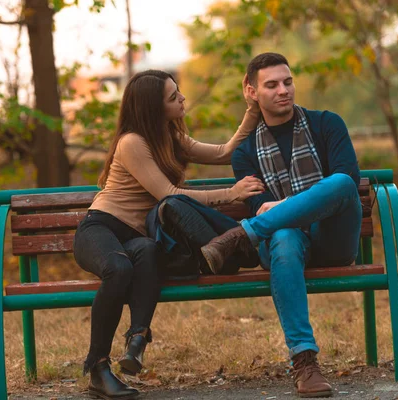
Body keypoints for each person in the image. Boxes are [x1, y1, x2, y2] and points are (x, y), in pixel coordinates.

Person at [73, 69, 264, 399]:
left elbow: (224, 153)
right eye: (173, 97)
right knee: (119, 267)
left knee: (146, 252)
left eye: (179, 93)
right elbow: (169, 195)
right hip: (101, 228)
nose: (182, 99)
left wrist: (253, 109)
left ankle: (136, 342)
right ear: (153, 107)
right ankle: (98, 369)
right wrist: (230, 194)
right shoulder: (132, 143)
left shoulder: (170, 139)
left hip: (136, 237)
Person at [200, 53, 362, 398]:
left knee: (341, 184)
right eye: (271, 84)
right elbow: (262, 209)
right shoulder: (244, 151)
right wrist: (295, 208)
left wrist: (285, 205)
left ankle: (240, 235)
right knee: (284, 234)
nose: (283, 90)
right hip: (284, 247)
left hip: (332, 238)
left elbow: (347, 180)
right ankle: (305, 362)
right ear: (251, 91)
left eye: (287, 82)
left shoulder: (326, 124)